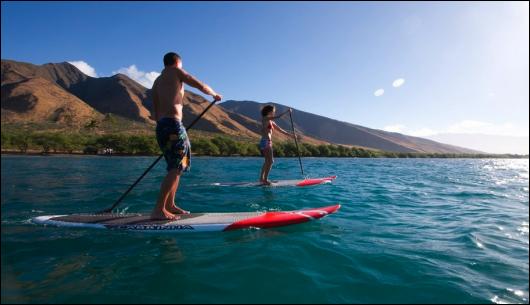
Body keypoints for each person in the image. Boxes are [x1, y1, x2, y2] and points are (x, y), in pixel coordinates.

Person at [151, 52, 222, 220]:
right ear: (177, 62)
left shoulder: (157, 81)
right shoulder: (176, 72)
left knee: (176, 167)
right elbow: (199, 84)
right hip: (173, 125)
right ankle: (158, 209)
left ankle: (170, 205)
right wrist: (214, 94)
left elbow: (155, 107)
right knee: (176, 167)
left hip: (162, 126)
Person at [259, 105, 295, 185]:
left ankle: (262, 179)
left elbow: (281, 130)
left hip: (267, 142)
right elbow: (278, 117)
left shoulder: (271, 122)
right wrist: (286, 112)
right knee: (271, 161)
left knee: (267, 161)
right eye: (273, 111)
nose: (274, 112)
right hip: (265, 141)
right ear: (269, 112)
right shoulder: (265, 119)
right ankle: (265, 180)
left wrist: (291, 135)